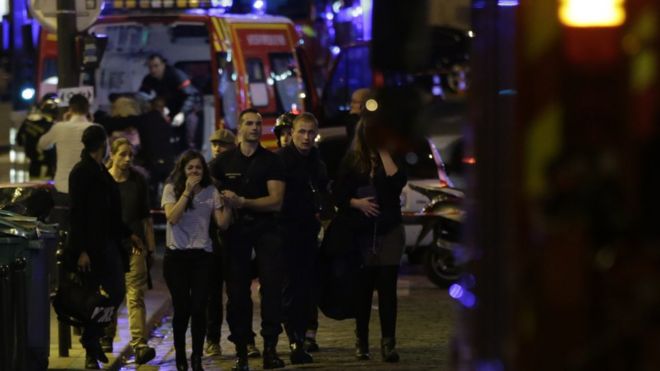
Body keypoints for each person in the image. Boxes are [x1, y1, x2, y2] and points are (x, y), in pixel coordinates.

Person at [210, 108, 286, 371]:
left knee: (272, 290)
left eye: (258, 124)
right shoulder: (224, 161)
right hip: (236, 232)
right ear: (240, 127)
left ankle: (270, 349)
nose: (255, 128)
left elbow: (276, 201)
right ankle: (241, 351)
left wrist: (243, 202)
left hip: (266, 230)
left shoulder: (272, 161)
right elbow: (208, 185)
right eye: (249, 123)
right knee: (237, 294)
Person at [333, 118, 407, 363]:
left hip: (389, 231)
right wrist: (356, 203)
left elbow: (398, 182)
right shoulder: (352, 161)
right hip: (361, 233)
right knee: (362, 291)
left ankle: (388, 343)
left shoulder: (393, 155)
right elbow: (339, 195)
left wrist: (384, 150)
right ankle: (361, 341)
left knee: (387, 289)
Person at [68, 125, 134, 369]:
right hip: (90, 248)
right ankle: (90, 350)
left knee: (116, 292)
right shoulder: (82, 172)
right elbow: (77, 214)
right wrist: (81, 250)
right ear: (103, 144)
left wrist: (129, 235)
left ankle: (92, 337)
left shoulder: (101, 172)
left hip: (108, 245)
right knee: (91, 299)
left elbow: (111, 214)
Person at [162, 150, 231, 371]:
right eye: (190, 167)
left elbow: (222, 224)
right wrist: (187, 193)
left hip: (202, 257)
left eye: (198, 168)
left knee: (200, 308)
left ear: (204, 170)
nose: (194, 171)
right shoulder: (171, 189)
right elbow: (172, 217)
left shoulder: (211, 191)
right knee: (181, 309)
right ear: (182, 170)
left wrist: (228, 204)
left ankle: (197, 358)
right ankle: (181, 358)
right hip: (177, 257)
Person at [277, 112, 328, 364]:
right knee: (289, 289)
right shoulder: (281, 160)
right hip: (284, 233)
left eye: (311, 132)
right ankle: (293, 340)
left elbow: (324, 191)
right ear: (292, 133)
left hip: (308, 232)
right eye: (302, 132)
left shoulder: (317, 161)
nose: (306, 137)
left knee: (305, 289)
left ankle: (300, 336)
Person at [101, 138, 157, 364]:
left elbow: (145, 217)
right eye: (122, 154)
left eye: (130, 155)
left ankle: (139, 344)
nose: (127, 159)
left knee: (135, 295)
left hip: (135, 246)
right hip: (109, 246)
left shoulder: (137, 181)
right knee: (107, 295)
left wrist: (150, 247)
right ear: (112, 155)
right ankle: (105, 334)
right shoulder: (104, 181)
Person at [38, 94, 96, 228]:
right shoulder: (95, 128)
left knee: (62, 229)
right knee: (85, 228)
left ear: (70, 109)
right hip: (88, 187)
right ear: (88, 109)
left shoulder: (60, 127)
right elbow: (104, 155)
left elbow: (42, 144)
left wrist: (62, 123)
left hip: (63, 187)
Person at [205, 128, 235, 357]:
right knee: (212, 295)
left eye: (222, 144)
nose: (217, 148)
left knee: (236, 293)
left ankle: (243, 339)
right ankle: (212, 339)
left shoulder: (236, 170)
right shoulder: (206, 172)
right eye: (215, 144)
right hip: (213, 240)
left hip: (235, 236)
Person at [140, 54, 201, 150]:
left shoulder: (176, 75)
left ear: (163, 64)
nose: (153, 70)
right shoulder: (149, 79)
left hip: (187, 108)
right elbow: (142, 94)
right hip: (169, 110)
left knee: (189, 136)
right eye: (150, 67)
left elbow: (191, 95)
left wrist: (182, 113)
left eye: (156, 66)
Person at [16, 93, 57, 178]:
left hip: (34, 160)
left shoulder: (29, 120)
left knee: (34, 182)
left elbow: (19, 139)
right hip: (46, 161)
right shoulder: (51, 125)